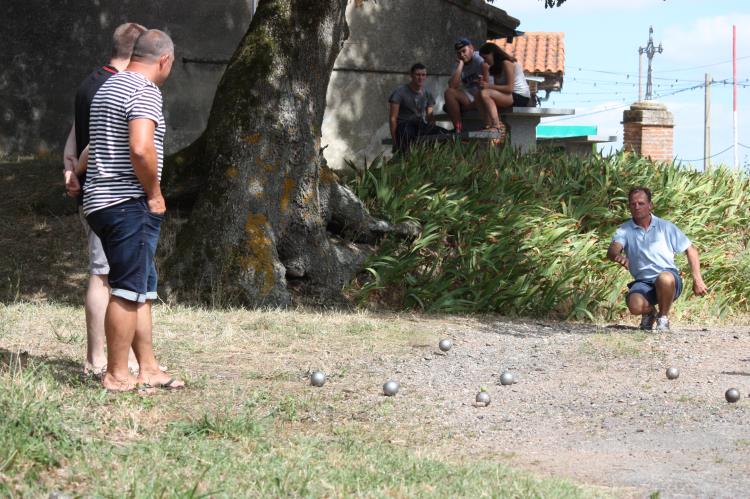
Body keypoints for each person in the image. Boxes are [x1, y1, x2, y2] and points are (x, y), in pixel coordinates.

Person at [82, 29, 184, 392]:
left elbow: (94, 145)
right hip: (128, 203)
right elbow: (141, 149)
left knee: (140, 286)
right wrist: (154, 193)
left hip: (100, 203)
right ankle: (116, 374)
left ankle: (150, 368)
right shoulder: (145, 91)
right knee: (126, 290)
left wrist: (76, 175)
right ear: (164, 60)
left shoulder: (108, 87)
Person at [62, 22, 146, 376]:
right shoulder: (116, 86)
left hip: (94, 191)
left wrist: (68, 166)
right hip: (108, 194)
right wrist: (78, 168)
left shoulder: (89, 83)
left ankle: (111, 356)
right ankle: (98, 358)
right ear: (137, 53)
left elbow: (74, 132)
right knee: (104, 276)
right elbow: (98, 140)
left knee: (108, 273)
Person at [607, 187, 708, 331]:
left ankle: (663, 318)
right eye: (633, 204)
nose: (636, 207)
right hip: (643, 282)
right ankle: (650, 313)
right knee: (634, 305)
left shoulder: (666, 227)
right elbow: (612, 250)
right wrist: (617, 256)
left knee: (664, 278)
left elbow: (691, 250)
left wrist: (697, 279)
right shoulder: (624, 230)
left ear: (650, 205)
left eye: (641, 203)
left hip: (669, 280)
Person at [388, 63, 447, 153]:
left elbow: (430, 117)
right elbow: (393, 118)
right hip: (404, 125)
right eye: (418, 75)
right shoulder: (400, 92)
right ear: (411, 75)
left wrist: (433, 131)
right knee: (407, 136)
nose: (420, 78)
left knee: (446, 135)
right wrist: (394, 142)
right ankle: (405, 160)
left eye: (423, 75)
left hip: (420, 125)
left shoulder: (427, 93)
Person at [476, 42, 532, 132]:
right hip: (509, 95)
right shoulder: (494, 68)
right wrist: (483, 85)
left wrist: (488, 87)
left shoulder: (507, 63)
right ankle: (487, 124)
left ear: (492, 53)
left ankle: (496, 126)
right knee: (478, 95)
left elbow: (509, 88)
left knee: (485, 93)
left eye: (485, 58)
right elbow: (499, 88)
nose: (485, 61)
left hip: (520, 96)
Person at [444, 37, 489, 133]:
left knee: (449, 107)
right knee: (449, 93)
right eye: (459, 53)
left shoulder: (479, 58)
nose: (462, 55)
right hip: (471, 99)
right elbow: (452, 86)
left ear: (471, 48)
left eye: (464, 51)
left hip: (484, 96)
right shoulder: (459, 62)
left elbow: (488, 83)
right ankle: (458, 128)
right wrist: (461, 65)